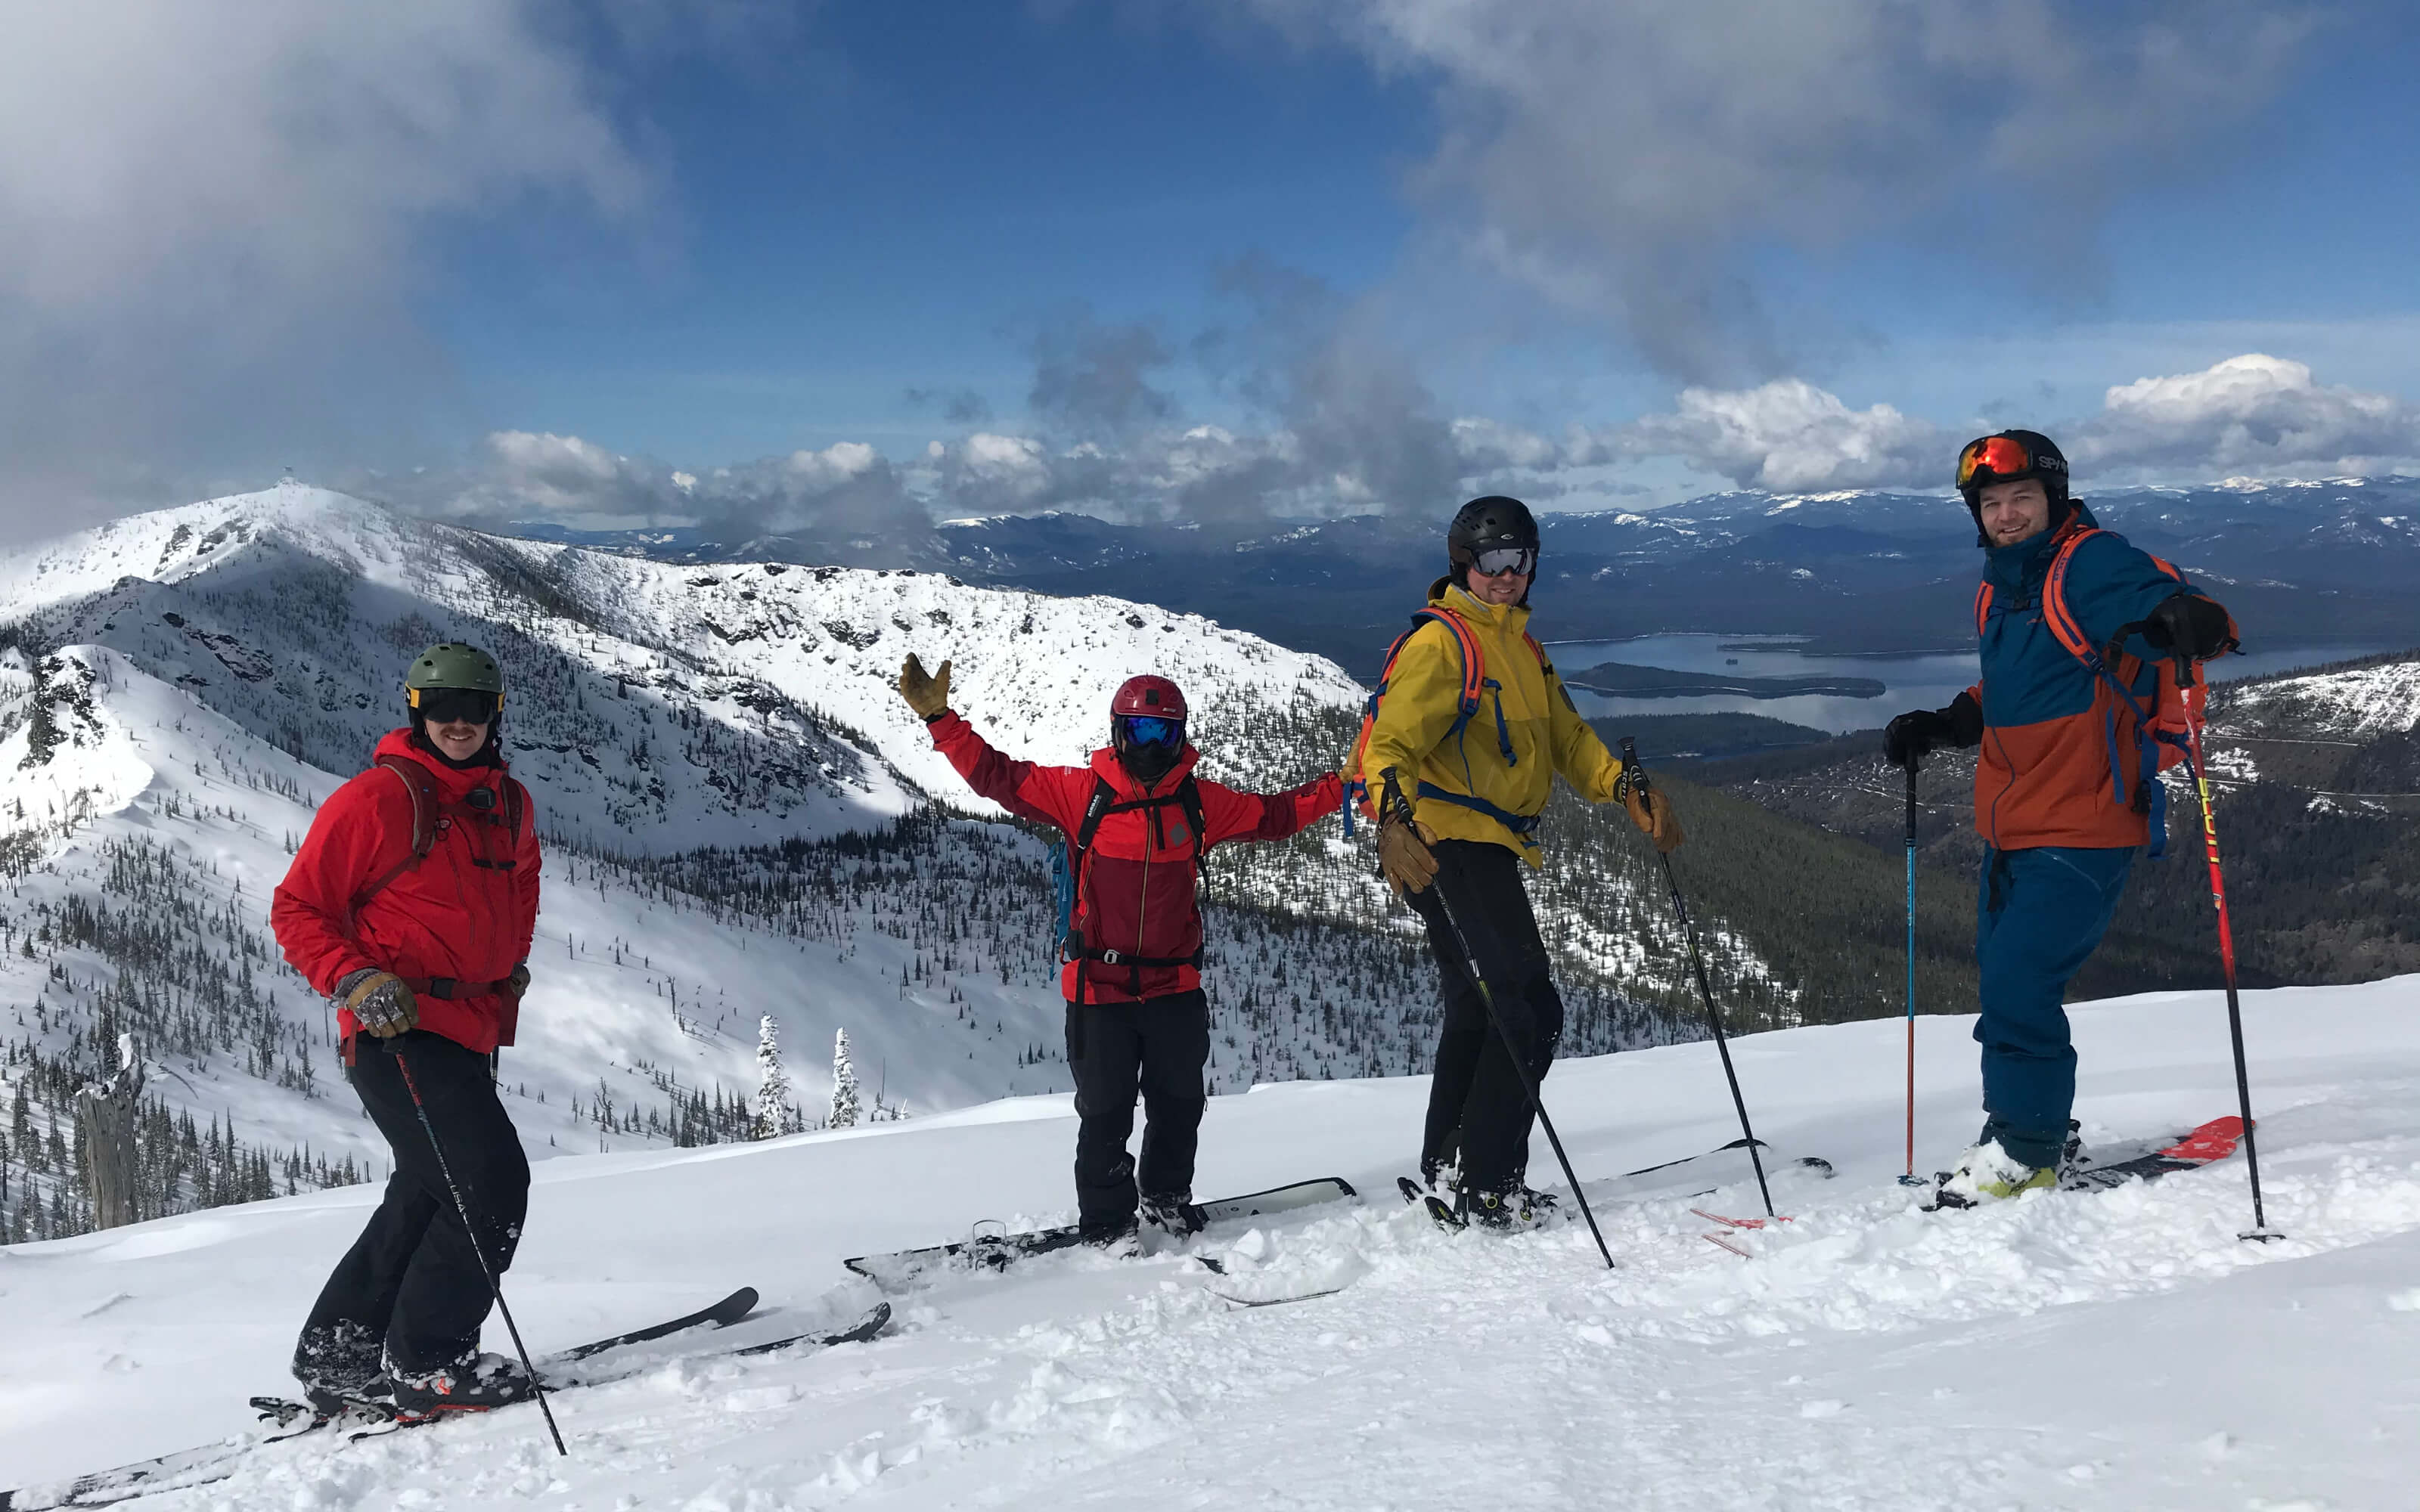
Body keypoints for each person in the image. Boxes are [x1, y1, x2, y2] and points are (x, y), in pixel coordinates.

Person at [1882, 431, 2236, 1206]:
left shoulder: (2087, 561)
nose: (2006, 515)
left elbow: (2159, 604)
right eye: (1991, 503)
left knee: (2017, 983)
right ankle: (2023, 1122)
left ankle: (2024, 1152)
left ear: (2053, 499)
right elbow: (2019, 691)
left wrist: (2190, 621)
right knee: (2006, 985)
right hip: (2011, 822)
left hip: (2085, 820)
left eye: (2021, 499)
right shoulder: (2002, 588)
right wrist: (1947, 723)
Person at [898, 655, 1341, 1242]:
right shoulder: (1080, 794)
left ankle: (1164, 1200)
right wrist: (940, 720)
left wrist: (1345, 784)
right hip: (1098, 989)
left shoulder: (1199, 803)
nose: (1151, 745)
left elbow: (1278, 815)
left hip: (1174, 986)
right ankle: (1107, 1226)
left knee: (1180, 1106)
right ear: (1118, 732)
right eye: (1139, 731)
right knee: (1106, 1116)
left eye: (1163, 732)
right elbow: (997, 776)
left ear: (1181, 736)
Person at [1353, 495, 1683, 1231]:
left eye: (1519, 559)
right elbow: (1389, 746)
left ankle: (1451, 1165)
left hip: (1487, 845)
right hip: (1442, 846)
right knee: (1524, 1008)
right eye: (1491, 561)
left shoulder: (1520, 647)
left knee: (1484, 1004)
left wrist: (1620, 785)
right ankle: (1486, 1183)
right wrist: (1391, 820)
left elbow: (1565, 737)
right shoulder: (1443, 647)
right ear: (1462, 566)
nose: (1506, 575)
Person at [272, 642, 541, 1414]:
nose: (460, 723)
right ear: (416, 713)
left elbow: (520, 885)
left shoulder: (509, 804)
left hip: (470, 1024)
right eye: (443, 709)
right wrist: (354, 976)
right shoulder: (378, 799)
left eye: (475, 708)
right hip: (397, 1029)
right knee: (490, 1185)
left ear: (495, 714)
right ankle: (428, 1359)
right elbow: (298, 908)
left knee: (430, 1189)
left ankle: (343, 1349)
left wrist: (507, 963)